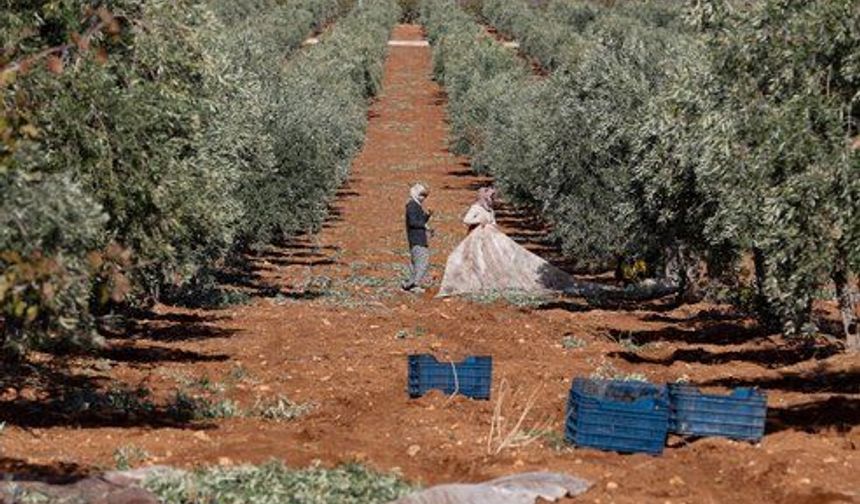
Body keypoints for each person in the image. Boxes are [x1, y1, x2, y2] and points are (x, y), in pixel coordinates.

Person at [437, 186, 576, 297]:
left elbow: (494, 222)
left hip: (491, 240)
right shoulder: (476, 207)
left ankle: (487, 283)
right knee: (478, 261)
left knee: (492, 261)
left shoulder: (490, 209)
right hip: (477, 240)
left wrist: (493, 226)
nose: (492, 199)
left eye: (493, 197)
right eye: (490, 196)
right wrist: (480, 221)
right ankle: (476, 284)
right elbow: (466, 220)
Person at [402, 183, 433, 293]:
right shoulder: (412, 205)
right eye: (421, 195)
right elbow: (413, 222)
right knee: (423, 261)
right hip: (416, 238)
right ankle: (415, 284)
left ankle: (409, 283)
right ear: (415, 193)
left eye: (425, 196)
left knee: (416, 262)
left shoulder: (416, 205)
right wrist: (424, 226)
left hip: (418, 237)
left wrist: (427, 216)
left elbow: (418, 221)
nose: (423, 198)